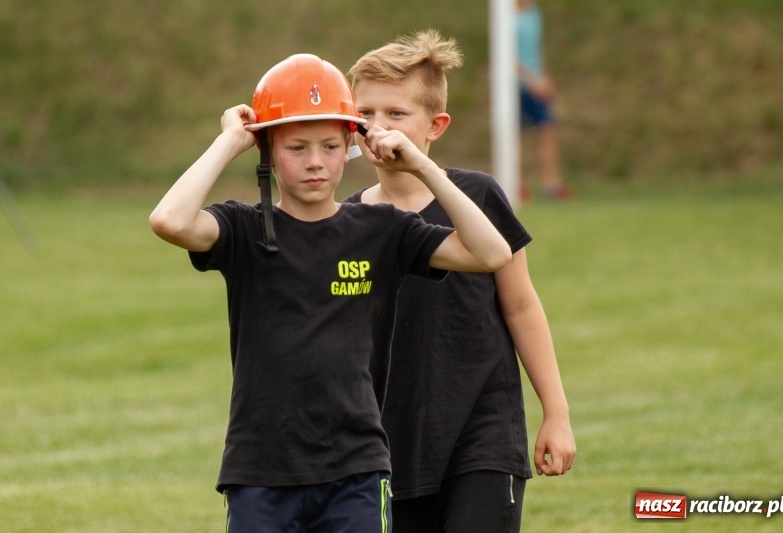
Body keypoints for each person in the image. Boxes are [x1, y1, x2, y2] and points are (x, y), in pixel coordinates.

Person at [148, 53, 512, 533]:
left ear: (350, 146)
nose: (315, 163)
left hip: (357, 472)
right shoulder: (243, 229)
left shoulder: (382, 229)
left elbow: (490, 254)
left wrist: (422, 165)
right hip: (260, 472)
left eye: (329, 146)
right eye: (296, 147)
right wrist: (230, 141)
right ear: (268, 152)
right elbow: (168, 220)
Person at [345, 30, 576, 533]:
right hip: (388, 441)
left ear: (436, 126)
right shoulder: (346, 222)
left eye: (396, 114)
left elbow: (520, 306)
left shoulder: (479, 197)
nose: (377, 128)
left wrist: (555, 413)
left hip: (483, 433)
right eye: (364, 114)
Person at [517, 0, 573, 200]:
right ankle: (515, 184)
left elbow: (536, 52)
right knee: (517, 136)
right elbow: (507, 57)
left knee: (547, 131)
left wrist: (546, 78)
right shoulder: (506, 18)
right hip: (518, 87)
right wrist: (531, 81)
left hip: (538, 84)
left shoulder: (534, 12)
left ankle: (550, 184)